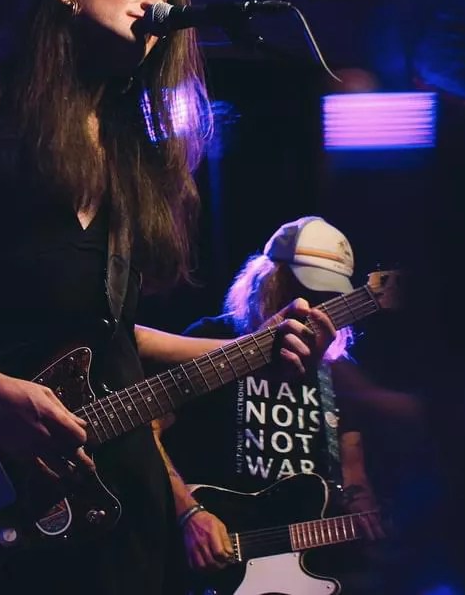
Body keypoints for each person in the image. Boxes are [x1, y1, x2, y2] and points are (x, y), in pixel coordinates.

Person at [0, 0, 336, 595]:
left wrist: (253, 349)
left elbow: (111, 333)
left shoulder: (130, 161)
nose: (156, 7)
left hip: (116, 486)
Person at [159, 216, 395, 594]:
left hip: (302, 566)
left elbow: (354, 474)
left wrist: (363, 511)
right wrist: (189, 514)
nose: (314, 304)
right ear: (267, 280)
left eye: (328, 295)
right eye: (301, 286)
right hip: (212, 560)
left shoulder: (335, 373)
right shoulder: (212, 339)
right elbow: (146, 433)